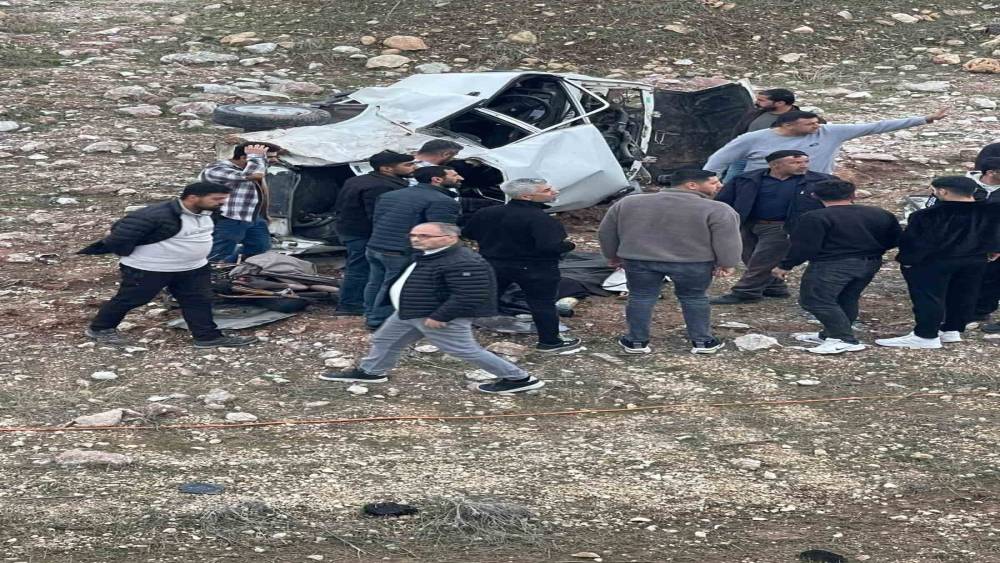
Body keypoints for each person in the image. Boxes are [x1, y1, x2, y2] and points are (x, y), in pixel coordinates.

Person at [320, 223, 545, 395]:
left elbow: (469, 294)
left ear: (450, 237)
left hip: (436, 316)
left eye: (425, 236)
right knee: (385, 340)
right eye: (414, 235)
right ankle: (372, 372)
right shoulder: (432, 255)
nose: (417, 239)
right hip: (411, 311)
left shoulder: (462, 261)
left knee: (465, 350)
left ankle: (519, 379)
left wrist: (441, 315)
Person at [78, 182, 258, 349]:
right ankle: (100, 328)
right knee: (131, 298)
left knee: (198, 300)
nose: (222, 203)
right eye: (216, 199)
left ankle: (207, 337)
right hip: (150, 269)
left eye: (223, 199)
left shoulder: (211, 212)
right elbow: (120, 238)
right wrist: (138, 258)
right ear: (193, 197)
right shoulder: (155, 215)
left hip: (193, 268)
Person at [598, 169, 741, 354]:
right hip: (694, 263)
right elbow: (727, 239)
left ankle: (635, 342)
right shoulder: (717, 209)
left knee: (640, 297)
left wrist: (612, 255)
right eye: (714, 182)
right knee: (694, 298)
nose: (720, 185)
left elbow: (606, 232)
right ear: (691, 185)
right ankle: (703, 342)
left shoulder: (629, 203)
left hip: (639, 260)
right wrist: (727, 262)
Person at [772, 179, 902, 354]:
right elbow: (895, 239)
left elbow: (805, 247)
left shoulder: (815, 217)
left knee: (815, 300)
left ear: (814, 196)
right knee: (846, 297)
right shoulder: (880, 213)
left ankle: (843, 338)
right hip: (871, 262)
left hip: (832, 264)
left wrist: (785, 265)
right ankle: (831, 334)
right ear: (853, 195)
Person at [876, 176, 1000, 349]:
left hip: (935, 262)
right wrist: (995, 249)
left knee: (929, 297)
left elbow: (914, 243)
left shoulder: (925, 215)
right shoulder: (992, 210)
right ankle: (951, 330)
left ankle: (925, 335)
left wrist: (907, 261)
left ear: (943, 191)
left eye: (934, 190)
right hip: (975, 260)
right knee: (963, 295)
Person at [462, 178, 581, 353]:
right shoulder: (541, 219)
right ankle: (550, 341)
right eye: (547, 190)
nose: (554, 191)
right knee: (542, 303)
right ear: (526, 196)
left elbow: (468, 233)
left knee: (484, 299)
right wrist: (570, 246)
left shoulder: (486, 212)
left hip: (493, 263)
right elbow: (550, 247)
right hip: (535, 268)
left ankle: (461, 337)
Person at [712, 150, 836, 304]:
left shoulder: (820, 181)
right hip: (749, 224)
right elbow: (724, 201)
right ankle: (774, 287)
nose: (803, 165)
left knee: (762, 261)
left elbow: (837, 202)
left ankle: (745, 292)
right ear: (776, 165)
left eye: (805, 161)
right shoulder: (746, 179)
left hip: (784, 227)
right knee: (751, 258)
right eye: (796, 162)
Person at [704, 108, 948, 175]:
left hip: (813, 186)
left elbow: (876, 126)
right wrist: (709, 185)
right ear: (787, 125)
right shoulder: (754, 138)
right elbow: (719, 160)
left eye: (817, 122)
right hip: (766, 188)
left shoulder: (830, 132)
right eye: (809, 124)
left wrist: (924, 120)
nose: (816, 127)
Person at [364, 166, 463, 330]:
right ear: (436, 179)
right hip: (403, 250)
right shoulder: (443, 201)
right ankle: (378, 321)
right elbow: (440, 230)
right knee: (394, 285)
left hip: (376, 245)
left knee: (376, 282)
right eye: (455, 175)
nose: (460, 178)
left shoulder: (389, 195)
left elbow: (377, 218)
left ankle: (370, 313)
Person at [332, 151, 417, 316]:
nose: (413, 168)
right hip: (364, 233)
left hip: (350, 230)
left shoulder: (359, 180)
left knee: (359, 268)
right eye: (407, 165)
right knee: (361, 269)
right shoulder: (381, 187)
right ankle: (351, 305)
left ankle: (355, 303)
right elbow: (379, 215)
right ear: (386, 169)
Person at [199, 143, 278, 263]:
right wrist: (256, 157)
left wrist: (264, 214)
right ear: (243, 158)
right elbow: (251, 175)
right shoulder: (216, 168)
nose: (274, 160)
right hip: (228, 218)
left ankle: (233, 268)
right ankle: (211, 275)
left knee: (260, 248)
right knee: (220, 252)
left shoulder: (253, 167)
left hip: (252, 217)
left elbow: (261, 193)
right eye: (268, 157)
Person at [723, 88, 799, 181]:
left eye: (761, 100)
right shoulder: (756, 112)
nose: (757, 102)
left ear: (780, 103)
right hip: (743, 154)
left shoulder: (800, 120)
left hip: (764, 159)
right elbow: (740, 130)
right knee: (729, 182)